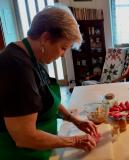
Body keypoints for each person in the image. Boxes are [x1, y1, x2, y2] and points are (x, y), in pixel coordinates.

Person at [0, 6, 100, 160]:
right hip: (21, 154)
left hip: (41, 149)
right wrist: (74, 140)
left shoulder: (32, 57)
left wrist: (75, 120)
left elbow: (47, 95)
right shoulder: (15, 66)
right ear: (45, 38)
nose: (62, 55)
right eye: (62, 48)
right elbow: (25, 138)